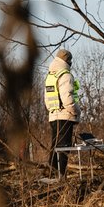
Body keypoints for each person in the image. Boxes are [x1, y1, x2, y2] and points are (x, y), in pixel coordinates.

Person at [44, 48, 79, 176]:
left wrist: (53, 111)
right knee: (64, 148)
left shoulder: (51, 75)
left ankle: (51, 174)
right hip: (65, 116)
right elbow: (67, 98)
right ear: (68, 61)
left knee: (55, 147)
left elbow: (46, 99)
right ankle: (60, 176)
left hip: (53, 116)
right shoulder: (65, 75)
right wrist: (75, 111)